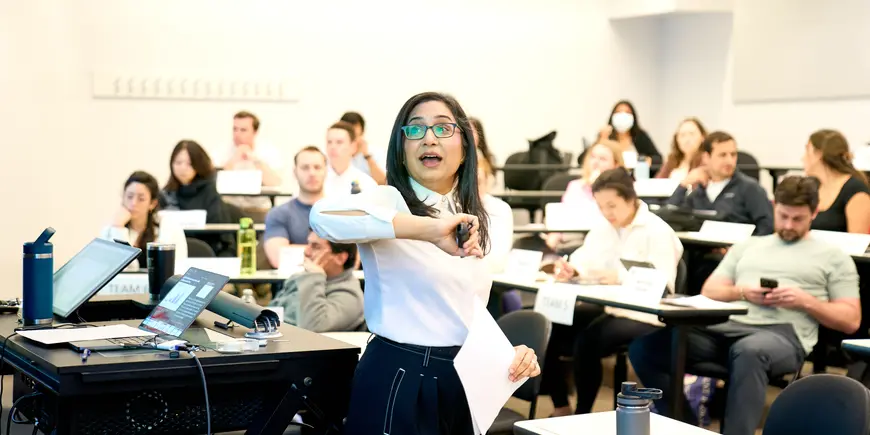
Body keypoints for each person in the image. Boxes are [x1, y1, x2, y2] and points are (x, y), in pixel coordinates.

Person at [310, 92, 540, 434]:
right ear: (401, 149)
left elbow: (464, 304)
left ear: (465, 146)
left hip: (465, 374)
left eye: (443, 128)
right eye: (415, 130)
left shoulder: (493, 212)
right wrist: (429, 229)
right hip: (398, 373)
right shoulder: (386, 200)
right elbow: (322, 217)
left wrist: (510, 353)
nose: (428, 138)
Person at [630, 176, 861, 435]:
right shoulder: (749, 245)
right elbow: (710, 290)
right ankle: (687, 426)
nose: (788, 225)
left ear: (814, 213)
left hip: (782, 334)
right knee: (646, 347)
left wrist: (804, 300)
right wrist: (742, 292)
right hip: (727, 325)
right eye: (783, 216)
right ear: (775, 206)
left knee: (749, 351)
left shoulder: (834, 256)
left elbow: (851, 319)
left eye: (798, 219)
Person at [546, 168, 683, 416]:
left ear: (631, 199)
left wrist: (620, 277)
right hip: (612, 305)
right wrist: (572, 269)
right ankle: (561, 406)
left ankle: (583, 413)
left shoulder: (658, 230)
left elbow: (664, 283)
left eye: (612, 205)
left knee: (588, 340)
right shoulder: (604, 227)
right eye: (600, 206)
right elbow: (586, 258)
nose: (607, 213)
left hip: (646, 313)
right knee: (554, 326)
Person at [667, 131, 774, 235]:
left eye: (733, 154)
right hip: (700, 249)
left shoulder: (750, 188)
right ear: (706, 157)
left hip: (736, 250)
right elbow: (669, 218)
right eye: (722, 155)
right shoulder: (698, 193)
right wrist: (684, 184)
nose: (729, 161)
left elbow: (767, 227)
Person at [268, 231, 364, 332]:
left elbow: (312, 327)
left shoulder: (350, 297)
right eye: (308, 244)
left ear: (340, 258)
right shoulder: (300, 278)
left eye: (315, 247)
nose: (306, 251)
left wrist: (314, 276)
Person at [101, 171, 188, 271]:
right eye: (129, 197)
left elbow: (178, 267)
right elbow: (116, 270)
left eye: (141, 199)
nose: (133, 203)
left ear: (152, 203)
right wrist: (118, 229)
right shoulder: (111, 229)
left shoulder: (169, 228)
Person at [161, 140, 233, 256]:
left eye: (189, 164)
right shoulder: (166, 194)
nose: (182, 168)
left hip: (206, 254)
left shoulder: (210, 192)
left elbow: (223, 239)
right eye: (178, 163)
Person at [263, 146, 328, 269]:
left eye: (317, 167)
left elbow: (350, 258)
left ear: (326, 171)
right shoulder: (278, 213)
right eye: (305, 168)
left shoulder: (340, 212)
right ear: (295, 172)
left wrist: (293, 251)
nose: (312, 173)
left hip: (334, 285)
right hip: (291, 285)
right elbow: (279, 258)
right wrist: (328, 251)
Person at [803, 129, 870, 233]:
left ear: (819, 155)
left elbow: (857, 243)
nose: (803, 158)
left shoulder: (855, 189)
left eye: (807, 150)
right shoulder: (812, 186)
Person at [221, 111, 284, 221]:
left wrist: (255, 160)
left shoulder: (269, 152)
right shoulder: (222, 151)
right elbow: (215, 181)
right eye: (235, 129)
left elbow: (274, 183)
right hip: (229, 209)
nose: (237, 134)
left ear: (255, 132)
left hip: (258, 209)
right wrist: (234, 159)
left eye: (243, 130)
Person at [593, 100, 661, 165]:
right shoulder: (606, 136)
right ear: (612, 116)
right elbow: (586, 159)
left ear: (633, 117)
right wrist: (602, 139)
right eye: (618, 112)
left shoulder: (640, 136)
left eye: (627, 112)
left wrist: (646, 160)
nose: (623, 115)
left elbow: (658, 159)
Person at [324, 121, 378, 196]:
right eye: (329, 142)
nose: (333, 147)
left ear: (353, 146)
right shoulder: (316, 180)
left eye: (339, 142)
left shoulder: (366, 183)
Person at [341, 111, 387, 185]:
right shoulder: (335, 153)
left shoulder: (376, 152)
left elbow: (383, 182)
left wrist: (367, 156)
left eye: (355, 135)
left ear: (362, 132)